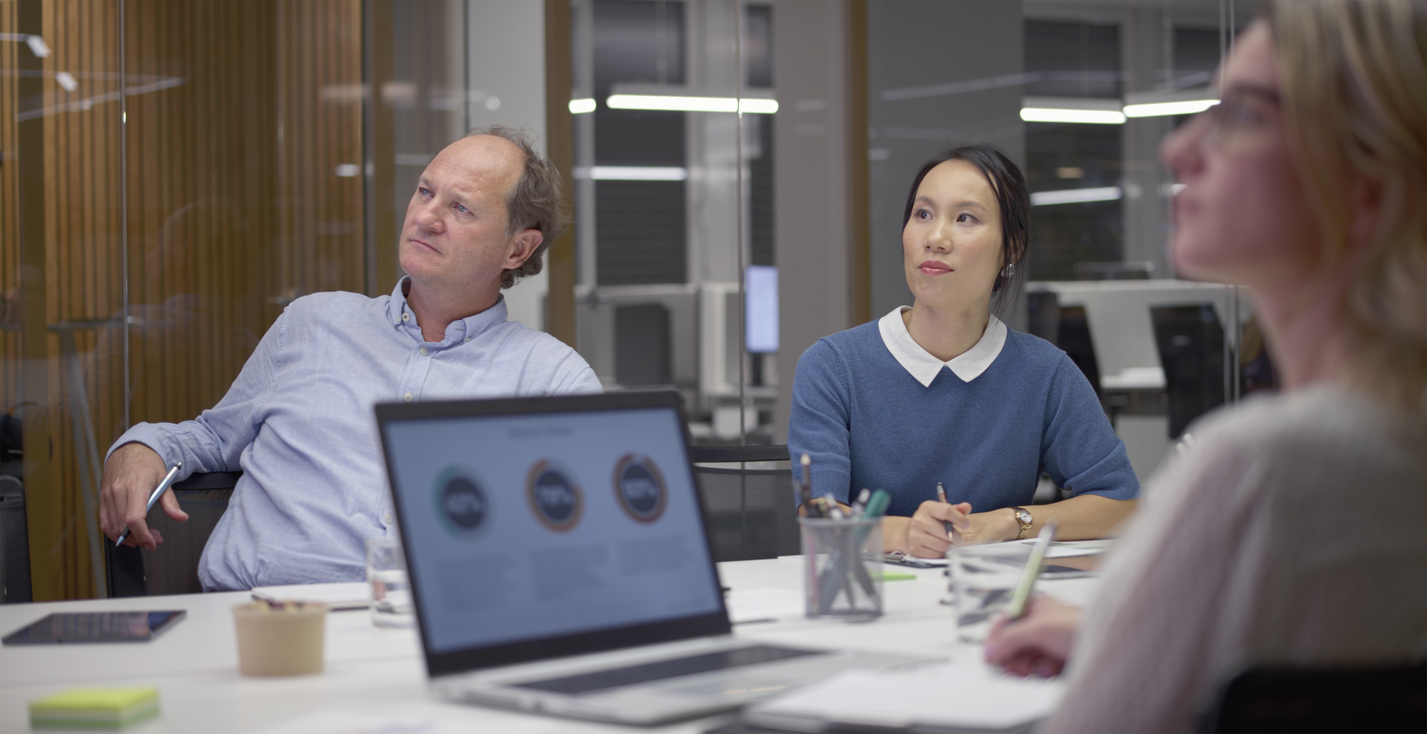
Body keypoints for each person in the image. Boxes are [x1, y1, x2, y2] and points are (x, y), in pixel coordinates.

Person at [983, 3, 1427, 730]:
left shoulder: (1260, 469)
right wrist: (1121, 636)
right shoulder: (1389, 451)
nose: (1177, 150)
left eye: (1242, 116)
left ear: (1365, 187)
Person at [97, 127, 602, 591]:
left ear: (518, 249)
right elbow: (212, 437)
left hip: (421, 639)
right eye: (424, 192)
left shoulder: (551, 379)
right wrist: (143, 446)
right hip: (253, 619)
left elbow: (581, 544)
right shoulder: (313, 323)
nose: (426, 217)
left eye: (461, 208)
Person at [788, 144, 1139, 558]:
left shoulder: (1045, 373)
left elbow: (1123, 506)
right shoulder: (833, 366)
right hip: (874, 602)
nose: (935, 238)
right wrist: (906, 535)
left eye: (965, 218)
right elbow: (821, 524)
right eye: (923, 214)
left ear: (1012, 248)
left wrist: (1005, 522)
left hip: (989, 600)